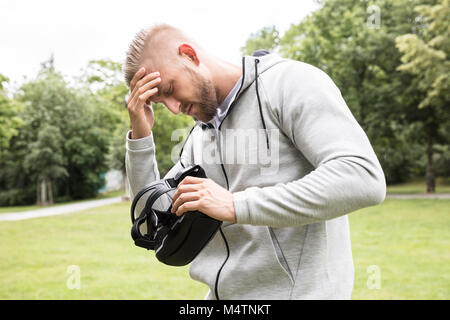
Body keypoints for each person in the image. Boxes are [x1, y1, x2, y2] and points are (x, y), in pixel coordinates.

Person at [123, 24, 386, 300]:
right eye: (161, 102)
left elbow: (362, 177)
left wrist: (235, 205)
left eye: (170, 89)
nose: (174, 109)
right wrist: (140, 136)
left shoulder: (289, 83)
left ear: (189, 54)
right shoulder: (196, 140)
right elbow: (153, 217)